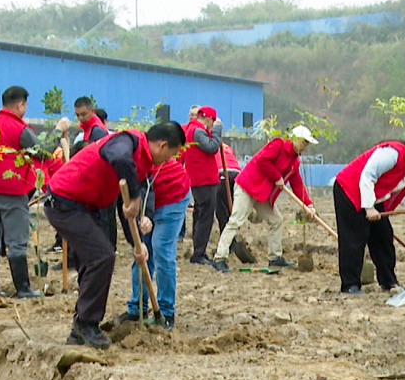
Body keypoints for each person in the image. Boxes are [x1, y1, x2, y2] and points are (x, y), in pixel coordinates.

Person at [44, 122, 185, 348]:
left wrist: (137, 245)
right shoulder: (128, 141)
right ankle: (87, 323)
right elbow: (118, 158)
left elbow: (126, 209)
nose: (170, 159)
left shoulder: (142, 165)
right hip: (65, 201)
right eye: (172, 153)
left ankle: (79, 328)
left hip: (88, 206)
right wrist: (136, 196)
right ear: (163, 145)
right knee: (102, 256)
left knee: (92, 261)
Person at [0, 86, 62, 299]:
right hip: (11, 193)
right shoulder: (17, 128)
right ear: (20, 104)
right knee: (17, 242)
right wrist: (58, 130)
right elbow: (43, 152)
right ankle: (23, 289)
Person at [334, 129, 405, 293]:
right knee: (355, 237)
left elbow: (402, 195)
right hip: (349, 189)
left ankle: (389, 281)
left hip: (372, 195)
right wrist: (369, 208)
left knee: (383, 236)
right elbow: (368, 175)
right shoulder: (393, 153)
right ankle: (350, 285)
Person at [211, 125, 318, 273]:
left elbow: (297, 184)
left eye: (307, 144)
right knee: (235, 221)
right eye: (304, 142)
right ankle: (219, 258)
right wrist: (277, 176)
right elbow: (262, 160)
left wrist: (309, 204)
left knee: (276, 220)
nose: (305, 146)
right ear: (295, 139)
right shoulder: (278, 144)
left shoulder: (295, 161)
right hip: (247, 186)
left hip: (262, 194)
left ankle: (275, 257)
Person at [117, 153, 190, 329]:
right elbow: (123, 206)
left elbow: (145, 188)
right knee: (141, 250)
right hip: (144, 203)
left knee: (160, 248)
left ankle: (166, 311)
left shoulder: (130, 160)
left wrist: (147, 215)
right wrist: (137, 240)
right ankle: (136, 308)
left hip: (172, 196)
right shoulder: (113, 168)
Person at [182, 105, 222, 265]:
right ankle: (199, 253)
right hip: (204, 179)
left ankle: (199, 250)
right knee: (205, 216)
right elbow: (212, 147)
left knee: (199, 214)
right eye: (213, 122)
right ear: (208, 119)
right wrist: (218, 130)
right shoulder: (198, 131)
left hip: (198, 179)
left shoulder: (191, 129)